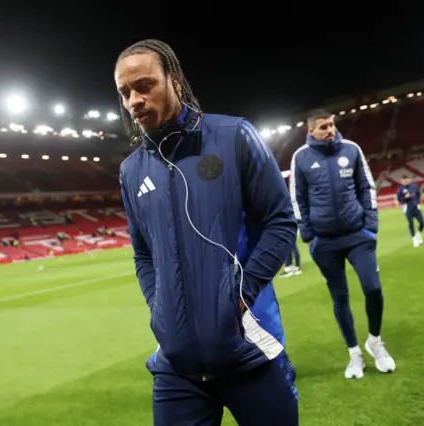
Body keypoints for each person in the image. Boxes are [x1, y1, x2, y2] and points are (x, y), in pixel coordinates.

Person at [116, 39, 299, 425]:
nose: (134, 100)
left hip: (248, 348)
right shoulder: (131, 170)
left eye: (144, 85)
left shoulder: (235, 137)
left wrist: (242, 294)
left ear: (175, 82)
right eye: (125, 92)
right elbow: (143, 253)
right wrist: (159, 305)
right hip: (176, 365)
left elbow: (280, 221)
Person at [290, 109, 396, 379]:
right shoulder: (300, 157)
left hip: (357, 235)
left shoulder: (351, 149)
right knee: (340, 298)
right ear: (311, 131)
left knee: (373, 288)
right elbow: (297, 199)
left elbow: (367, 187)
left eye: (332, 125)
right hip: (324, 242)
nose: (331, 130)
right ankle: (354, 353)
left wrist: (370, 227)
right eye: (324, 126)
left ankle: (375, 341)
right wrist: (309, 237)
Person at [397, 175, 424, 247]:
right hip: (407, 208)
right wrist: (405, 197)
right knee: (411, 223)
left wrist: (418, 202)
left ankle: (418, 233)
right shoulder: (400, 189)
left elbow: (418, 194)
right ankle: (414, 239)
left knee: (422, 222)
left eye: (406, 180)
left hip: (416, 207)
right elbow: (399, 199)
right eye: (403, 181)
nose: (405, 182)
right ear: (401, 181)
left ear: (409, 180)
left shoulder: (414, 186)